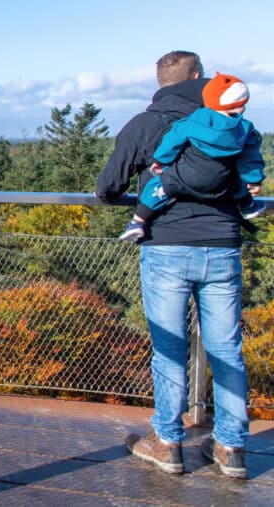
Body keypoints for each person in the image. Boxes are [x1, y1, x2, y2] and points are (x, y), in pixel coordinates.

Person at [96, 50, 252, 479]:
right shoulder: (226, 123)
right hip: (222, 245)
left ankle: (167, 443)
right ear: (199, 77)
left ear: (159, 82)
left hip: (165, 246)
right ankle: (231, 447)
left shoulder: (144, 124)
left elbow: (108, 187)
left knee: (169, 349)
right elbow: (248, 175)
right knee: (226, 350)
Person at [119, 71, 266, 242]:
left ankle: (137, 222)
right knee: (237, 182)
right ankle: (248, 206)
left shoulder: (192, 121)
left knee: (159, 186)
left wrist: (160, 161)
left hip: (187, 177)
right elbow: (250, 158)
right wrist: (254, 180)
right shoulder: (245, 129)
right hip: (222, 181)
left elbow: (172, 142)